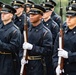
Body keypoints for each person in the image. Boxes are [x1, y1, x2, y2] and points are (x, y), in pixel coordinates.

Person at [21, 4, 53, 75]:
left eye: (34, 14)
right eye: (30, 14)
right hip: (26, 64)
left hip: (39, 65)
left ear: (41, 16)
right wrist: (22, 57)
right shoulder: (27, 30)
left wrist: (32, 47)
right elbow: (21, 47)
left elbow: (48, 51)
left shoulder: (45, 32)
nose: (31, 16)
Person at [52, 3, 76, 75]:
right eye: (67, 17)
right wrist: (57, 66)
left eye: (71, 17)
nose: (68, 19)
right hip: (63, 71)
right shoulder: (61, 33)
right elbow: (55, 53)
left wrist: (69, 55)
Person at [0, 3, 22, 75]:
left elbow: (14, 48)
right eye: (2, 13)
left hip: (8, 60)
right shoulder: (0, 26)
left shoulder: (15, 30)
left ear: (11, 15)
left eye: (5, 13)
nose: (2, 15)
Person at [41, 2, 59, 75]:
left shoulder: (54, 26)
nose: (44, 13)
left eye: (46, 11)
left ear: (50, 12)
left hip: (49, 55)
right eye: (43, 11)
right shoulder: (39, 23)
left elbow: (55, 43)